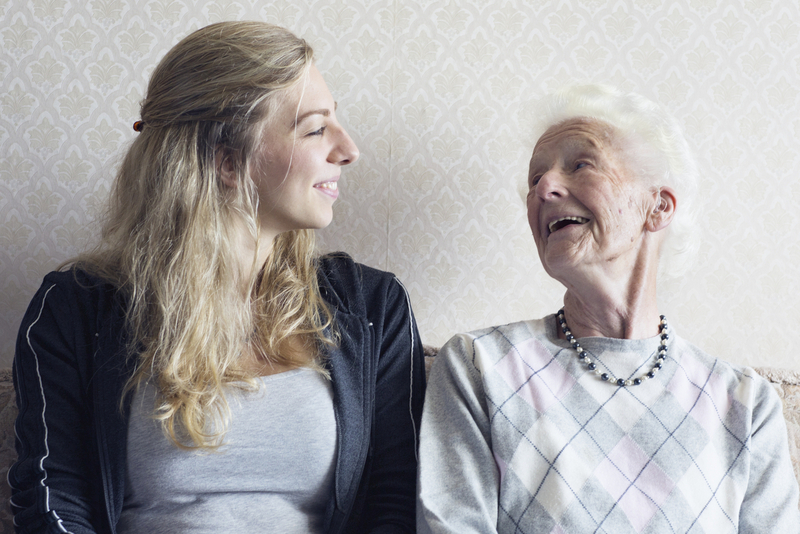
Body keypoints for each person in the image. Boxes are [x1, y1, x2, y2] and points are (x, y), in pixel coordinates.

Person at [10, 21, 425, 534]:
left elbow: (396, 502)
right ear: (228, 161)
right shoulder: (74, 308)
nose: (348, 149)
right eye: (316, 128)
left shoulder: (373, 308)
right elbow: (51, 498)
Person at [417, 84, 800, 533]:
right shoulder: (480, 366)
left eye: (580, 163)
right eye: (534, 179)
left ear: (657, 207)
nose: (544, 188)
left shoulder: (746, 404)